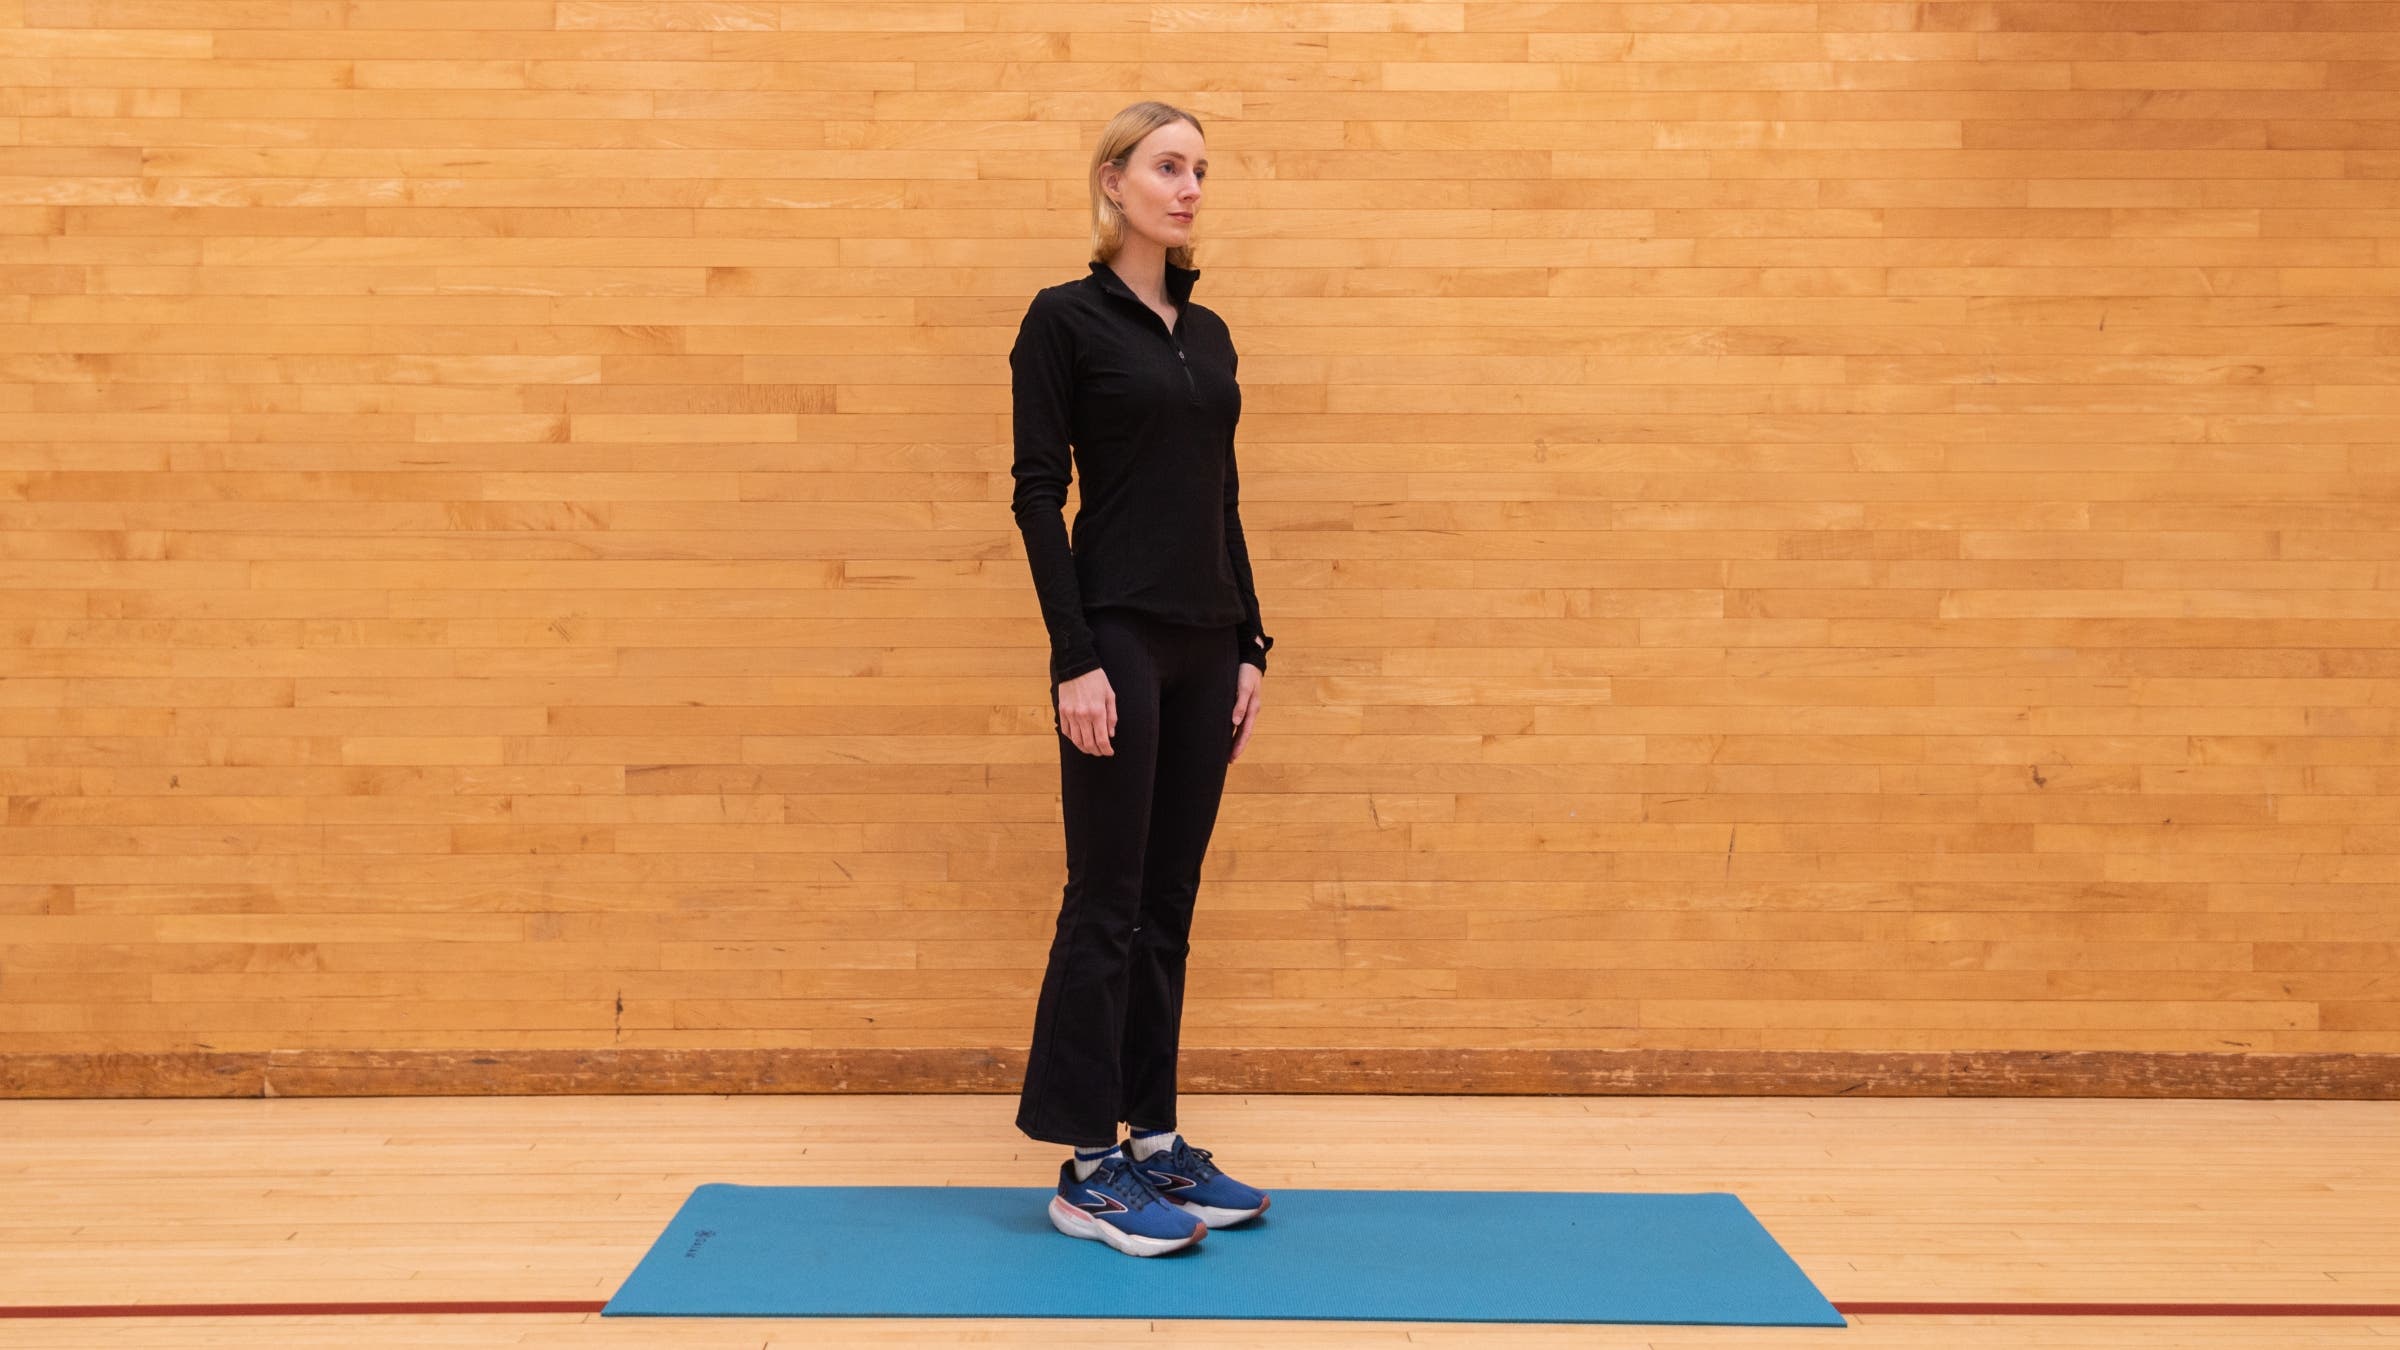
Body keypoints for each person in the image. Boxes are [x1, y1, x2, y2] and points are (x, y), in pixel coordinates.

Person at [1007, 101, 1275, 1258]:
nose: (1190, 186)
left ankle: (1153, 1139)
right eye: (1169, 166)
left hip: (1207, 642)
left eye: (1201, 169)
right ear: (1113, 182)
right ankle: (1086, 1169)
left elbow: (1221, 496)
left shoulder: (1206, 333)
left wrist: (1253, 643)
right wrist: (1073, 657)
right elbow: (1037, 495)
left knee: (1168, 901)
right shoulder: (1062, 321)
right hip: (1115, 635)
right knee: (1107, 900)